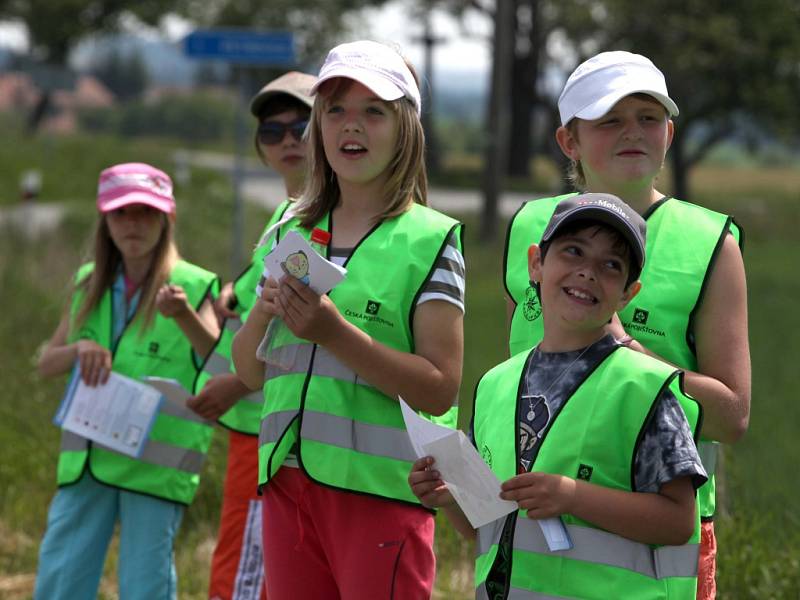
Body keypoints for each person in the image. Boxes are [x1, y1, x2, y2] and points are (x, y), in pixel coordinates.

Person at [503, 51, 750, 598]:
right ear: (569, 141)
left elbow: (732, 416)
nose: (632, 132)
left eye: (647, 117)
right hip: (532, 525)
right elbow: (514, 379)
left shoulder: (710, 242)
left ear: (669, 132)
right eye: (609, 119)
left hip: (656, 535)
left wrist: (627, 353)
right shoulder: (530, 226)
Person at [232, 40, 465, 599]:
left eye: (373, 111)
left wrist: (334, 333)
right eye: (335, 109)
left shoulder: (432, 240)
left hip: (381, 496)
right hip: (287, 487)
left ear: (405, 126)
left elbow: (439, 388)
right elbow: (249, 373)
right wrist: (263, 314)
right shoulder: (290, 230)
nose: (350, 126)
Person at [411, 193, 707, 598]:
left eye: (610, 265)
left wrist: (572, 496)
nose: (587, 273)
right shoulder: (495, 384)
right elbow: (487, 528)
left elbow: (677, 521)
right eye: (573, 252)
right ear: (536, 263)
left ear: (628, 294)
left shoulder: (644, 388)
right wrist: (450, 499)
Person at [34, 162, 220, 599]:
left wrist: (185, 316)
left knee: (145, 587)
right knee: (60, 581)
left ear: (166, 219)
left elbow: (224, 365)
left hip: (153, 470)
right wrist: (78, 350)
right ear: (105, 220)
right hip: (88, 462)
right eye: (121, 213)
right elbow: (46, 363)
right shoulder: (87, 282)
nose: (132, 224)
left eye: (145, 212)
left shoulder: (194, 285)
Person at [190, 70, 317, 600]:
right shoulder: (284, 216)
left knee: (243, 573)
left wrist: (234, 386)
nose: (287, 139)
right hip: (258, 428)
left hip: (271, 427)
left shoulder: (318, 218)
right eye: (271, 131)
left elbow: (304, 332)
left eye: (301, 125)